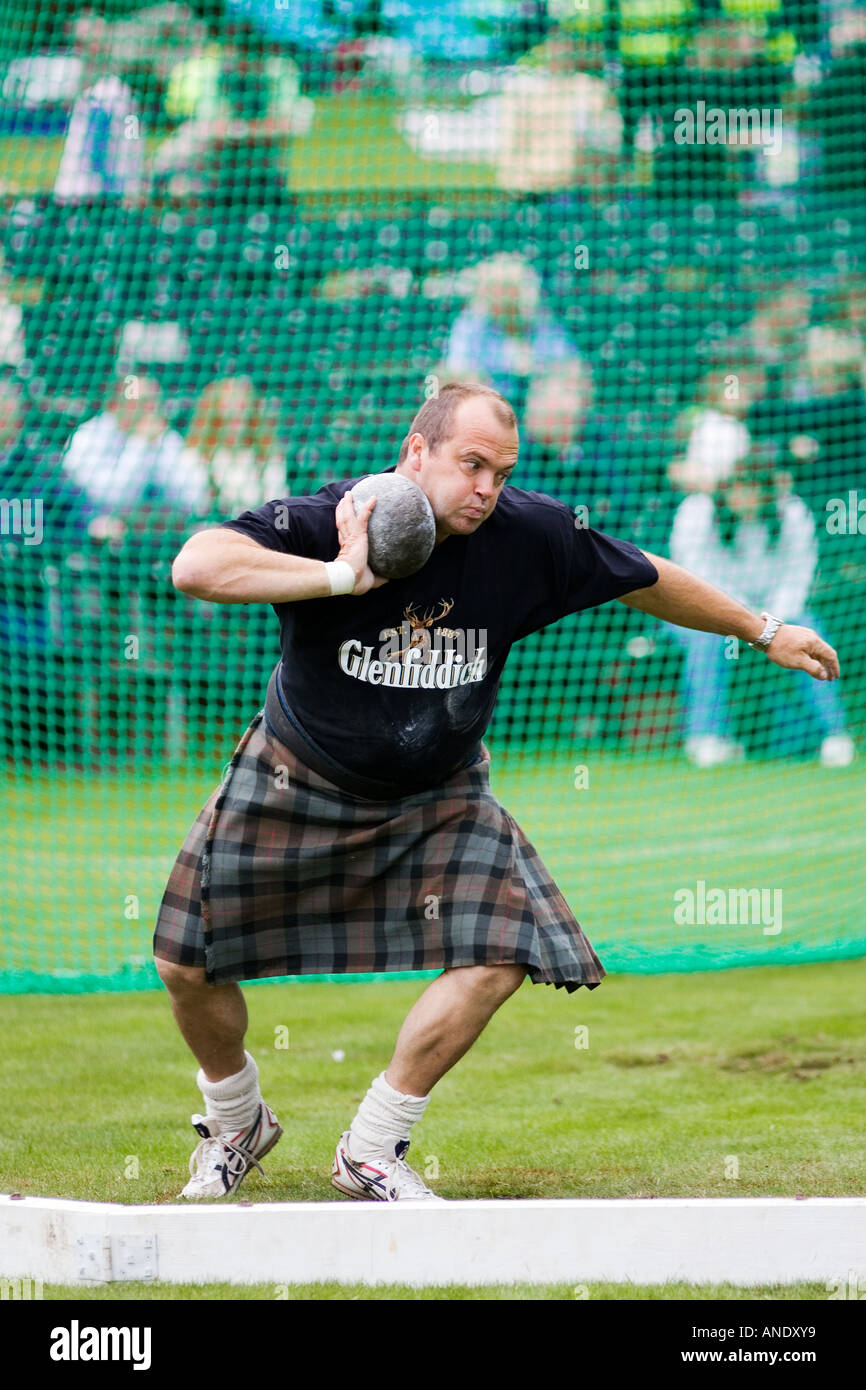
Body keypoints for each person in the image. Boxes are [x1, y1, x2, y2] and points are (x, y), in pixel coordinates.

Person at [154, 381, 841, 1202]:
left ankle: (371, 1147)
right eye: (471, 464)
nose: (487, 489)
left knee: (502, 952)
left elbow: (646, 576)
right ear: (417, 453)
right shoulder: (335, 517)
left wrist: (764, 631)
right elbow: (194, 565)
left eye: (502, 472)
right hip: (295, 773)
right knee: (185, 964)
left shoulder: (529, 534)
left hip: (439, 788)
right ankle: (237, 1121)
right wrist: (342, 577)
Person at [669, 460, 854, 768]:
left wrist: (771, 621)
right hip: (706, 613)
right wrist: (743, 617)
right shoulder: (696, 511)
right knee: (707, 641)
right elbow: (695, 576)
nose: (745, 498)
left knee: (810, 635)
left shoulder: (792, 511)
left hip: (779, 613)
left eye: (753, 490)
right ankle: (706, 737)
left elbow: (799, 573)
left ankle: (834, 735)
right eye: (738, 490)